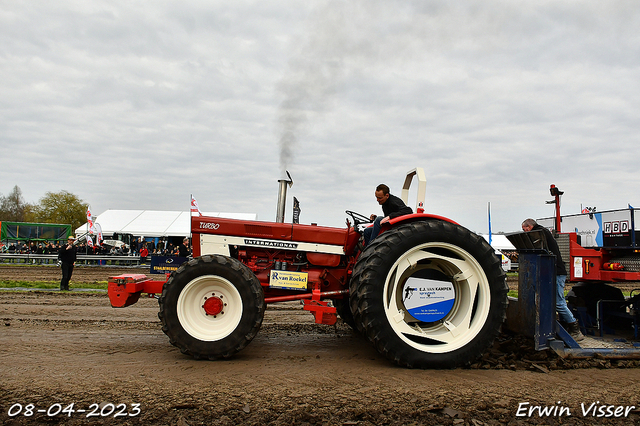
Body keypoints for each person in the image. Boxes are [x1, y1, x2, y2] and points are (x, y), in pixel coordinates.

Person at [522, 218, 584, 341]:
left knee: (558, 302)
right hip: (552, 272)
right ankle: (565, 326)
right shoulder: (542, 232)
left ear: (530, 226)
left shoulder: (541, 233)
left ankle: (575, 329)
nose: (525, 232)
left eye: (525, 229)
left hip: (557, 272)